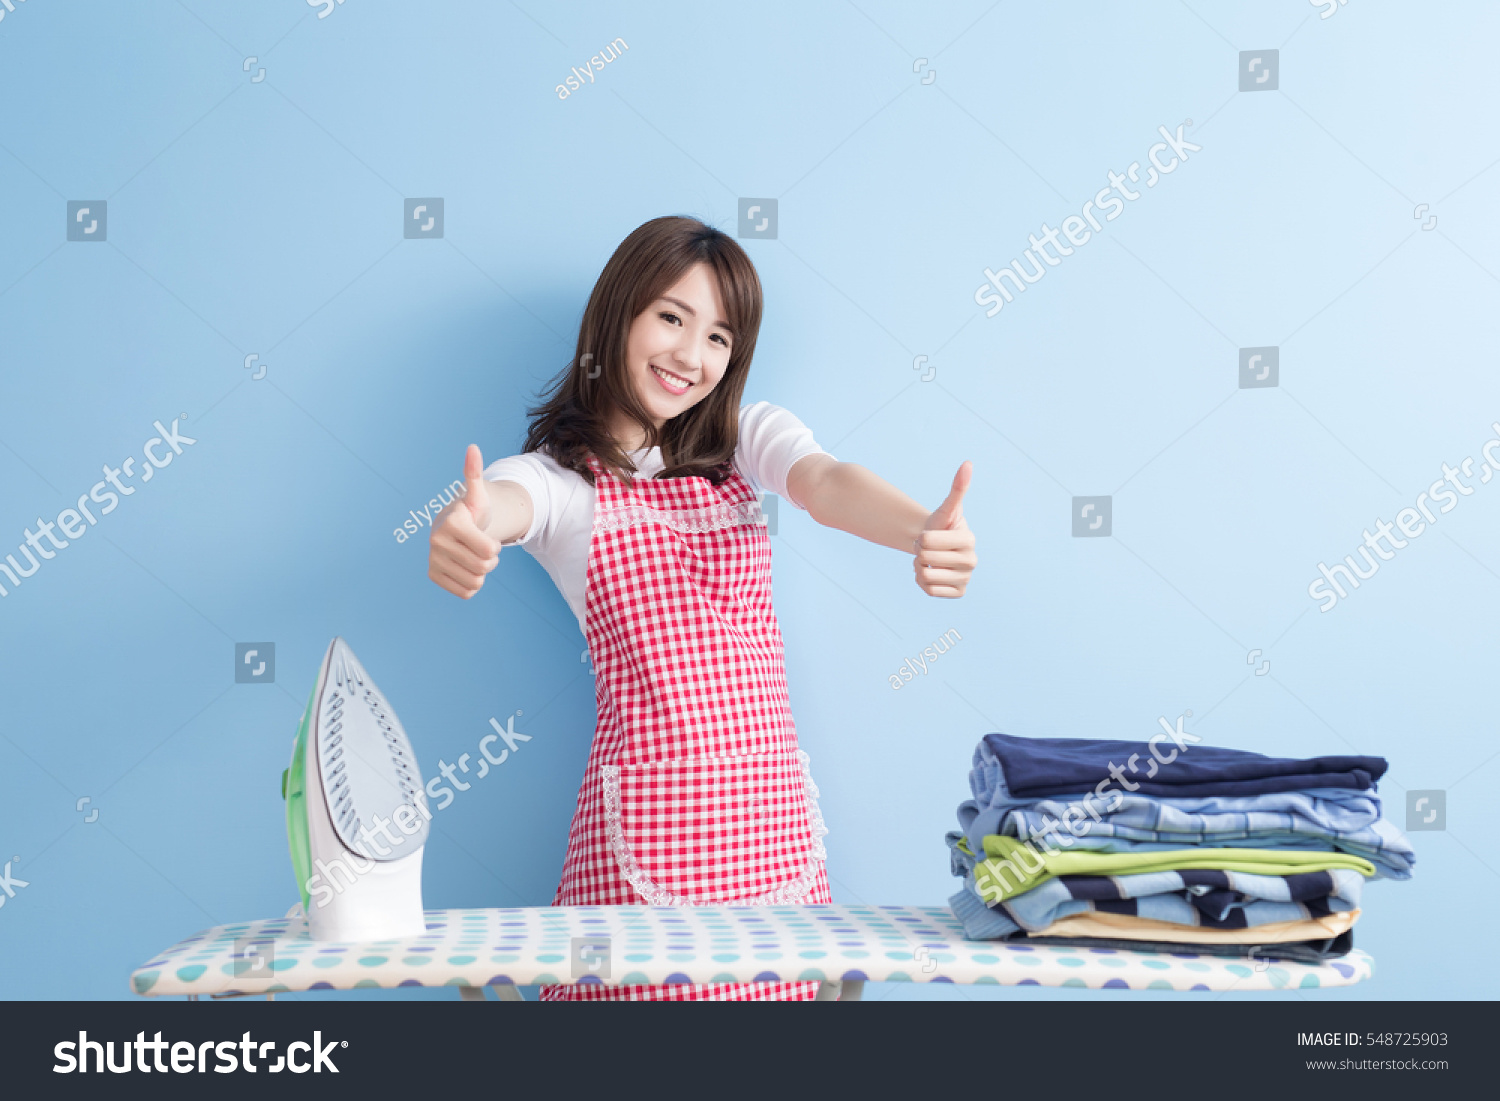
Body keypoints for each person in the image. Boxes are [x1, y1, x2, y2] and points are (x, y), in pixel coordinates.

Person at [427, 215, 977, 1000]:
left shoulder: (746, 439)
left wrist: (921, 529)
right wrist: (467, 526)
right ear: (618, 313)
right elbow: (504, 504)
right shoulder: (561, 482)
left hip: (770, 825)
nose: (692, 355)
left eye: (719, 336)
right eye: (671, 317)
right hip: (645, 844)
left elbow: (825, 484)